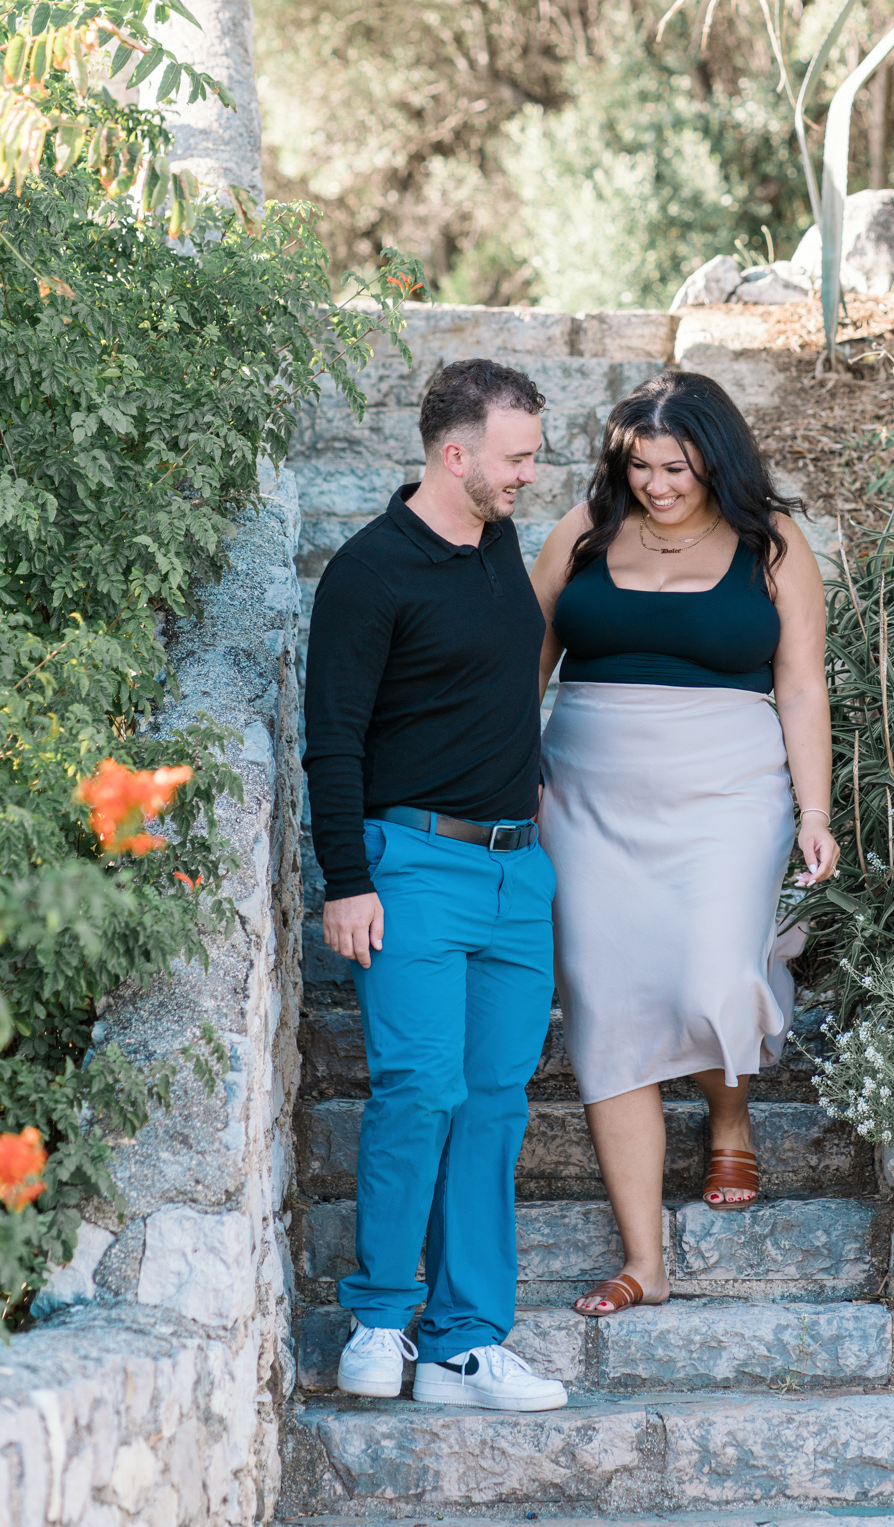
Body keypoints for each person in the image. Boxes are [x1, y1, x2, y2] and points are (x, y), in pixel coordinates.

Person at [530, 367, 840, 1319]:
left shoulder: (773, 543)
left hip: (729, 793)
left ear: (717, 458)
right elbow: (518, 663)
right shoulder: (582, 534)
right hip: (586, 798)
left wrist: (815, 811)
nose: (657, 485)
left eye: (676, 466)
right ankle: (643, 1259)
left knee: (712, 977)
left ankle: (730, 1111)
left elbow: (799, 686)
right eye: (639, 467)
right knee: (608, 1006)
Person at [303, 356, 568, 1411]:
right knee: (420, 1090)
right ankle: (378, 1320)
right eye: (515, 457)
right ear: (454, 455)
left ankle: (464, 1340)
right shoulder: (369, 572)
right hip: (408, 867)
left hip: (516, 875)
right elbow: (334, 740)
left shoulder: (500, 543)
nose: (528, 477)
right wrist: (346, 879)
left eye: (535, 457)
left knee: (498, 1103)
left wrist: (530, 778)